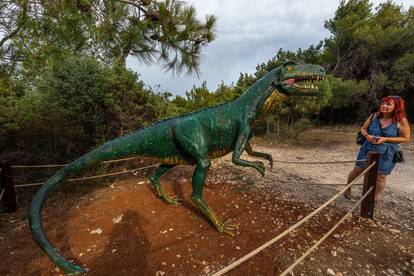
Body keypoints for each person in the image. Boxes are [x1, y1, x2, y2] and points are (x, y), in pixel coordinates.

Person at [345, 95, 410, 201]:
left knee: (381, 177)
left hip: (387, 152)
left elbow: (405, 138)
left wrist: (385, 139)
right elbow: (363, 129)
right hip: (368, 148)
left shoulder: (401, 121)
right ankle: (347, 189)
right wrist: (367, 136)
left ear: (396, 106)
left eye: (388, 104)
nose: (384, 106)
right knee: (357, 170)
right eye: (383, 103)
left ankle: (372, 198)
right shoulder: (374, 116)